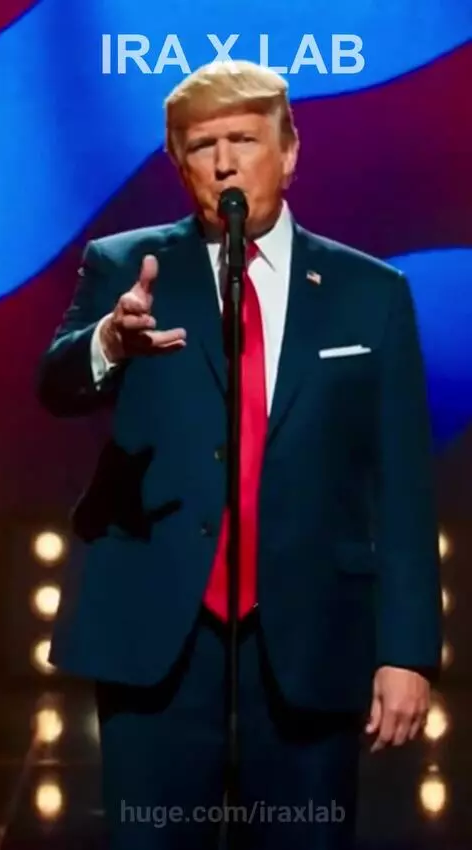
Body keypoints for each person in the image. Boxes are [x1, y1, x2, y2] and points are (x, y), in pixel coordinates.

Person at [36, 60, 443, 849]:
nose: (224, 161)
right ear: (177, 163)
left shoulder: (372, 292)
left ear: (289, 152)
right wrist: (107, 345)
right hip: (159, 639)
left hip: (309, 639)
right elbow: (56, 384)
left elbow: (401, 486)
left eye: (245, 140)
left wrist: (407, 651)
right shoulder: (126, 269)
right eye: (201, 146)